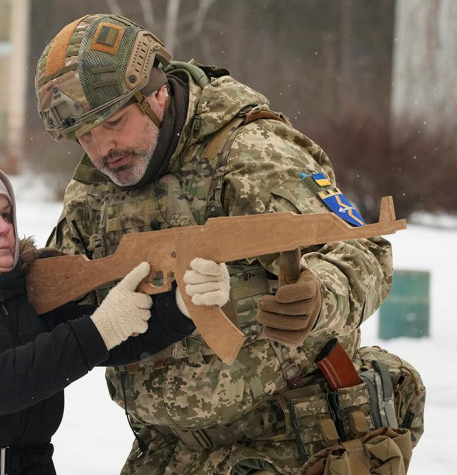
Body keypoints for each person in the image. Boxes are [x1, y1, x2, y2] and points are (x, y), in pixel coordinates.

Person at [34, 14, 426, 474]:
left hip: (289, 443)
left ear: (157, 92)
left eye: (115, 122)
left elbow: (361, 249)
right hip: (167, 452)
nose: (102, 149)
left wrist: (320, 295)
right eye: (85, 135)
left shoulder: (249, 152)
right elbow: (53, 292)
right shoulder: (93, 192)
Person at [0, 161, 228, 474]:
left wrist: (182, 304)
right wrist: (102, 328)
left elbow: (116, 336)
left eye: (6, 214)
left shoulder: (24, 292)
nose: (2, 228)